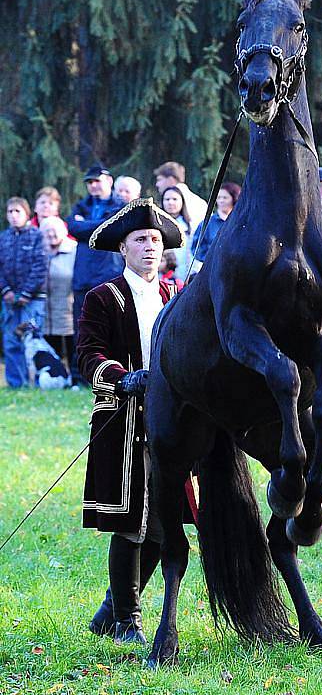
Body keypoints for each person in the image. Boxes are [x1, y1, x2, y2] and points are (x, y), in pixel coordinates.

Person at [77, 197, 197, 644]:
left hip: (172, 423)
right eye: (139, 240)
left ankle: (111, 610)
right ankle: (128, 620)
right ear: (122, 248)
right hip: (123, 421)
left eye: (154, 240)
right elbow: (88, 355)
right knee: (130, 522)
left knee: (165, 521)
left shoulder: (176, 295)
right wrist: (123, 378)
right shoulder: (103, 297)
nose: (149, 247)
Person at [67, 164, 125, 381]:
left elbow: (113, 227)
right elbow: (72, 227)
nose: (92, 186)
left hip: (109, 275)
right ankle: (79, 376)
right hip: (83, 277)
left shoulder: (121, 206)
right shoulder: (80, 206)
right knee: (81, 328)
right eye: (89, 182)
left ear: (109, 181)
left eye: (96, 181)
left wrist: (88, 226)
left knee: (112, 327)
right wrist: (100, 225)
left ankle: (113, 375)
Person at [0, 197, 47, 387]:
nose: (13, 215)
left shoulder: (37, 236)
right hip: (9, 299)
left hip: (33, 300)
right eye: (10, 212)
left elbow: (41, 266)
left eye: (17, 211)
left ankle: (37, 382)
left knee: (33, 340)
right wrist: (6, 291)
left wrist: (27, 293)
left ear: (26, 213)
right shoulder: (3, 238)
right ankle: (16, 384)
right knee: (11, 341)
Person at [40, 216, 77, 370]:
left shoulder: (74, 250)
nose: (51, 234)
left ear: (64, 231)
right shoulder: (39, 252)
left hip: (69, 307)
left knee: (72, 344)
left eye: (54, 230)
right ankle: (55, 376)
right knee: (51, 349)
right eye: (46, 231)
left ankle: (75, 377)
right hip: (45, 312)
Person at [191, 181, 242, 266]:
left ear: (234, 198)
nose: (221, 201)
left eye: (225, 198)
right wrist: (211, 260)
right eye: (218, 198)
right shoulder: (207, 224)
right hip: (213, 269)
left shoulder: (240, 222)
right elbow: (196, 249)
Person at [154, 161, 207, 234]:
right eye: (168, 199)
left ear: (170, 179)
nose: (157, 184)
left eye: (159, 179)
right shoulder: (200, 202)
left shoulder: (192, 201)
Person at [161, 186, 192, 281]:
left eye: (175, 199)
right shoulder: (157, 224)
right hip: (160, 278)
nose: (171, 202)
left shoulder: (190, 226)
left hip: (184, 276)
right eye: (167, 199)